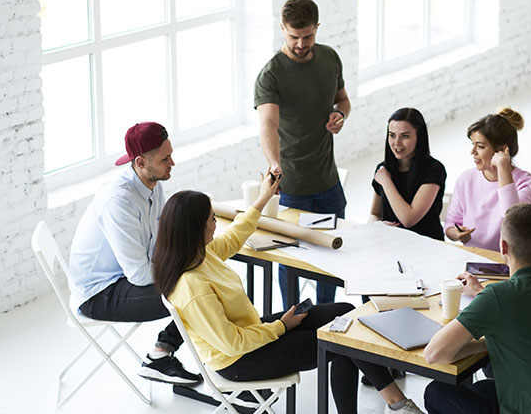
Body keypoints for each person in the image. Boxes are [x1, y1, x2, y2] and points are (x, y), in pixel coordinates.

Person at [152, 172, 425, 414]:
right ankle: (397, 402)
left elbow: (234, 236)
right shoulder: (193, 286)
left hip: (253, 334)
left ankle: (395, 402)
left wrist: (262, 198)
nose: (216, 223)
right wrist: (281, 326)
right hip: (240, 360)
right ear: (194, 229)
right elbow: (232, 344)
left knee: (343, 313)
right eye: (212, 219)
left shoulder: (200, 254)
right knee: (343, 341)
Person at [423, 204, 531, 414]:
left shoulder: (497, 297)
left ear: (503, 247)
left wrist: (488, 343)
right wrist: (496, 340)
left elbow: (434, 354)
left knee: (435, 392)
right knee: (482, 387)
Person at [68, 122, 201, 386]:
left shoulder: (153, 184)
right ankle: (165, 357)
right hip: (98, 294)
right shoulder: (120, 200)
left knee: (199, 278)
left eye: (170, 154)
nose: (172, 162)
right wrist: (185, 264)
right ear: (140, 162)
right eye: (165, 158)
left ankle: (161, 354)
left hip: (122, 277)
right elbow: (140, 274)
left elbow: (155, 247)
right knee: (195, 290)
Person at [254, 0, 350, 308]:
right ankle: (291, 319)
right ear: (282, 29)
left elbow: (343, 100)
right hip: (292, 187)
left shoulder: (330, 58)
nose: (300, 43)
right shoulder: (271, 74)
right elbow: (268, 125)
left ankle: (326, 315)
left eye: (307, 36)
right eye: (294, 36)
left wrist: (340, 115)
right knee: (290, 259)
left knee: (333, 255)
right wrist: (274, 165)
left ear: (317, 28)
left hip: (328, 183)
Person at [444, 107, 531, 251]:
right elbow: (450, 224)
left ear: (502, 150)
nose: (472, 152)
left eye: (480, 146)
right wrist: (457, 234)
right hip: (475, 258)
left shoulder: (526, 183)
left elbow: (513, 220)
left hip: (512, 262)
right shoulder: (466, 179)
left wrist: (503, 167)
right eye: (473, 145)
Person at [369, 107, 447, 240]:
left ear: (419, 137)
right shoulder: (383, 169)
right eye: (392, 135)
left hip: (428, 246)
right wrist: (377, 225)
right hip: (392, 242)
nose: (396, 143)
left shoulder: (434, 170)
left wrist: (387, 182)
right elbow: (375, 213)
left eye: (405, 136)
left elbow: (408, 219)